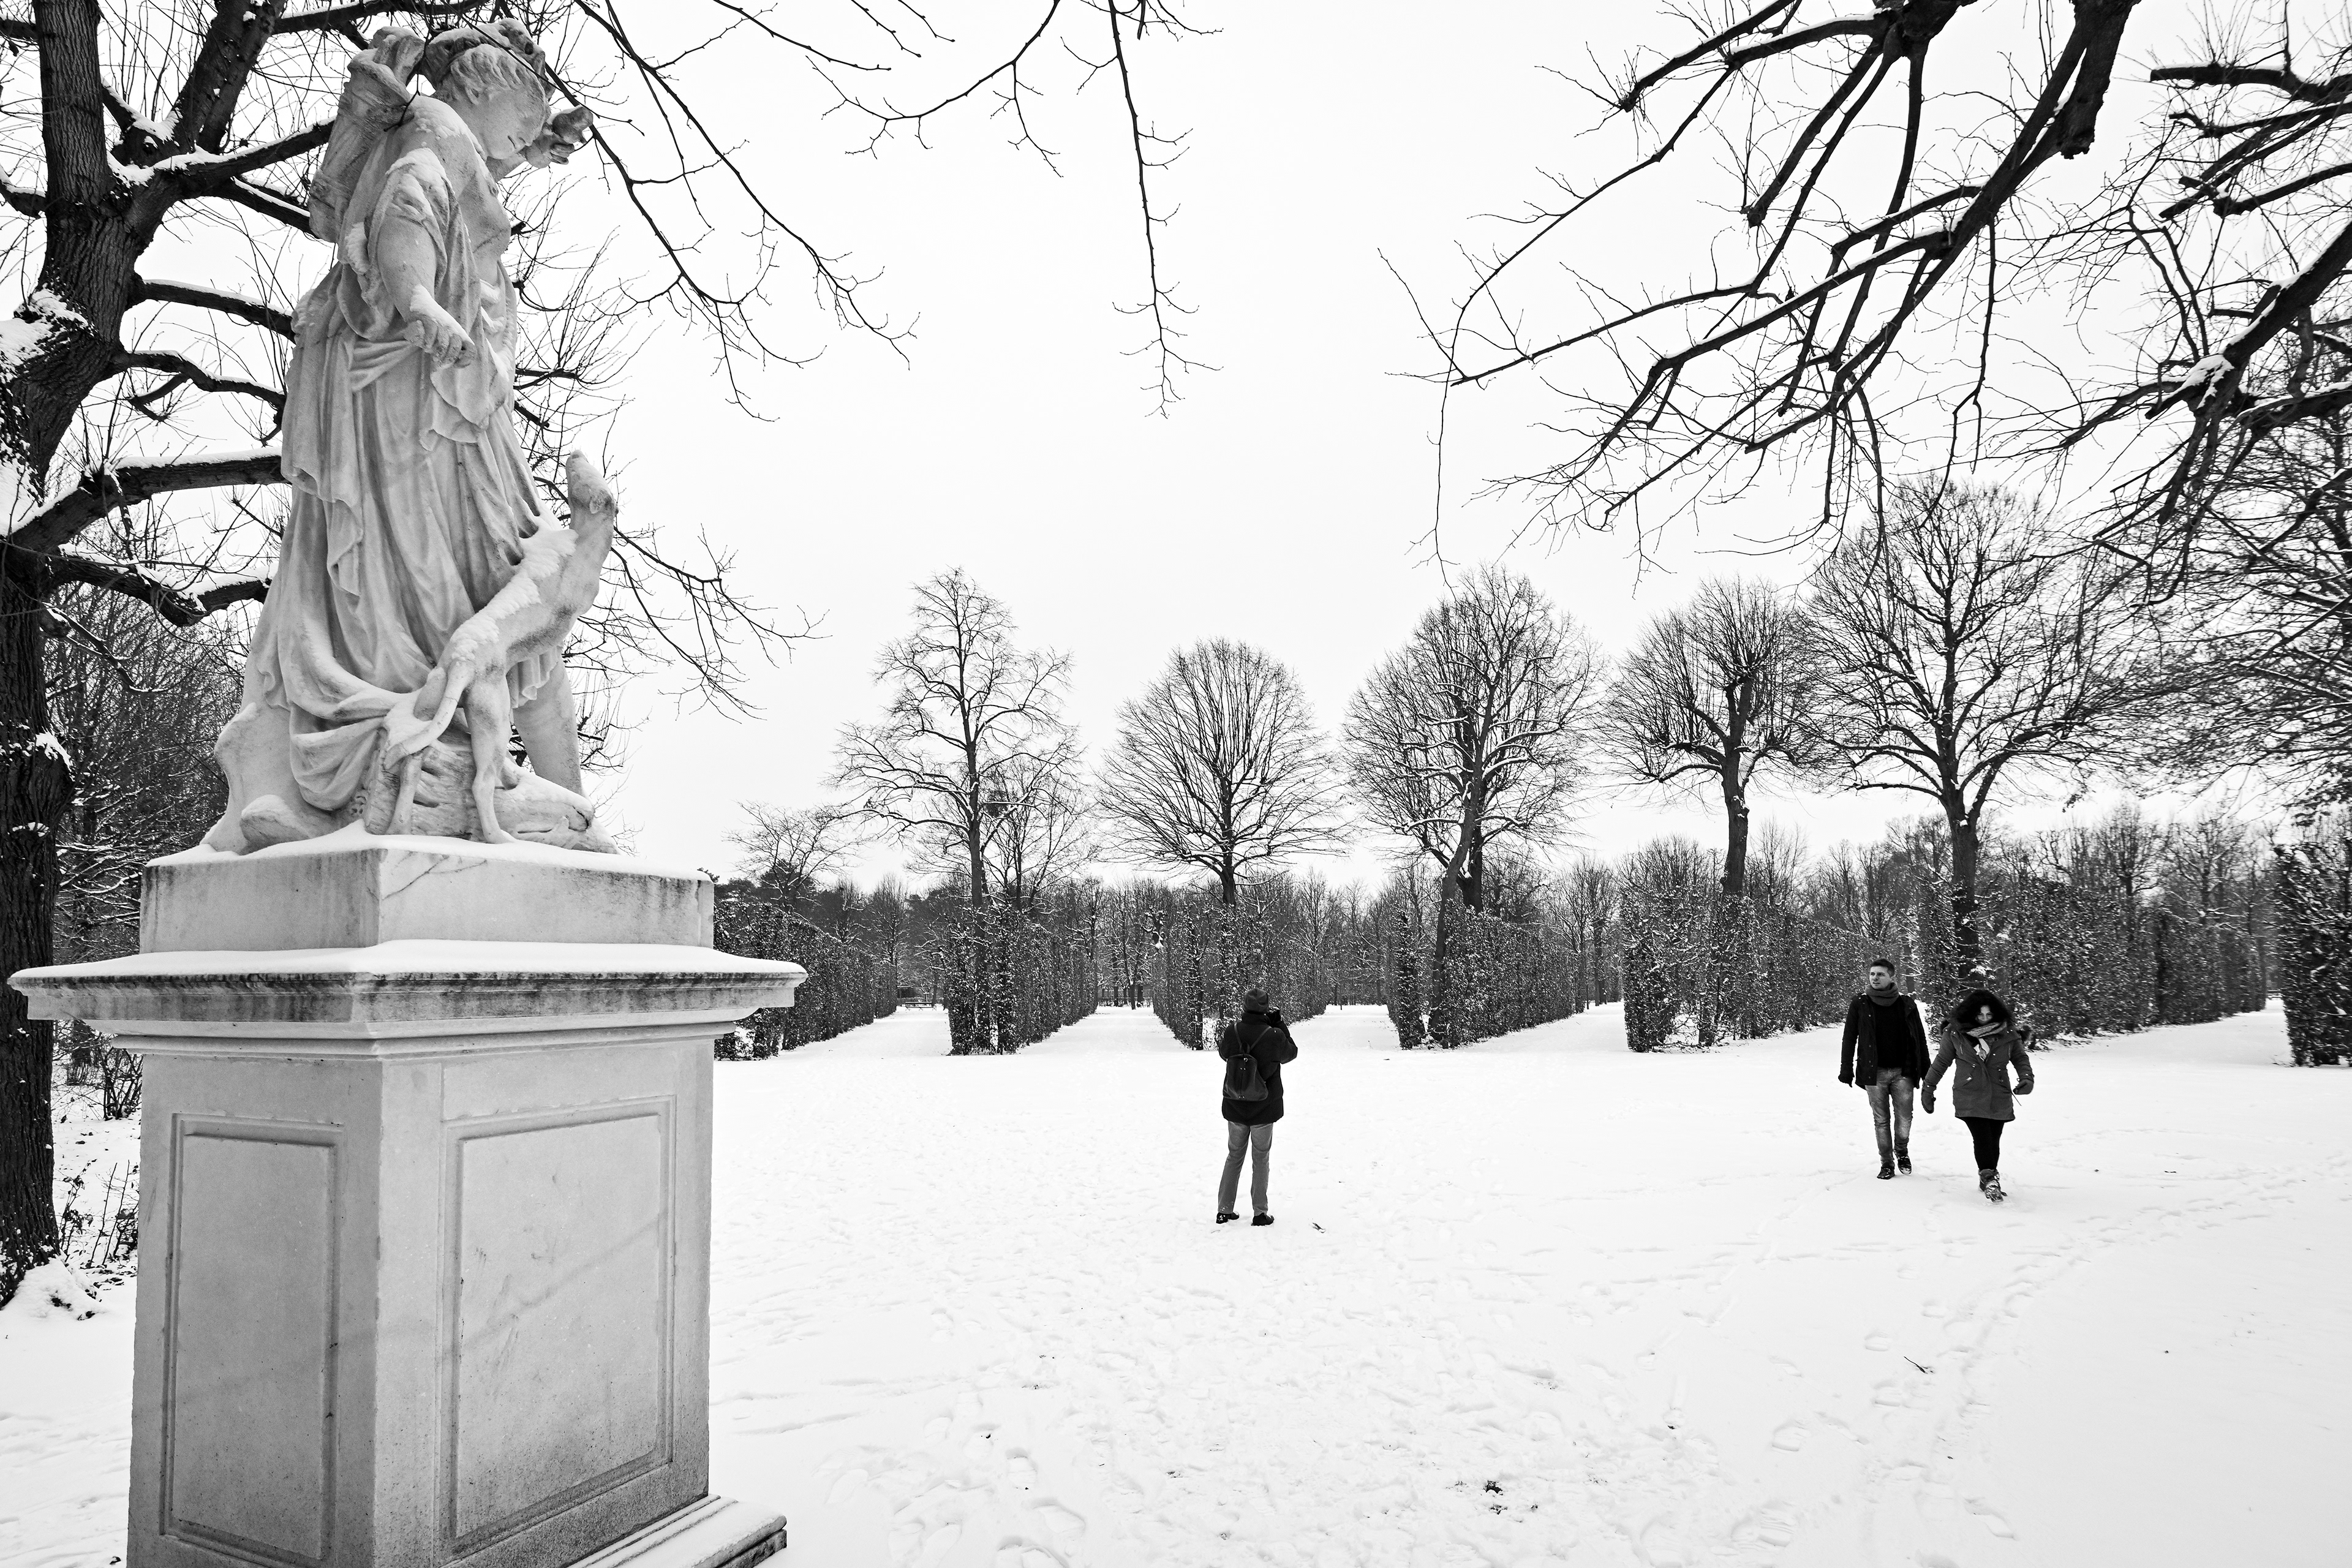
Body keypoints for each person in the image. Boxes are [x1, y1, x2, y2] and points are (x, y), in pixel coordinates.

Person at [206, 22, 597, 852]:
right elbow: (407, 219)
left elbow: (453, 186)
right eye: (520, 129)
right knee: (462, 564)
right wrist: (420, 303)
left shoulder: (434, 137)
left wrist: (525, 159)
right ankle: (436, 766)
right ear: (479, 95)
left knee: (472, 572)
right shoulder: (425, 148)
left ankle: (516, 781)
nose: (521, 148)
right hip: (411, 384)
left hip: (423, 381)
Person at [1923, 987, 2037, 1202]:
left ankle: (1988, 1176)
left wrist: (2027, 1079)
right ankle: (1990, 1178)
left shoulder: (2008, 1034)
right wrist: (1929, 1088)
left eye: (1989, 1015)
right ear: (1970, 1014)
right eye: (1980, 1015)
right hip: (1969, 1094)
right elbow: (1941, 1063)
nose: (1985, 1019)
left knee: (1994, 1139)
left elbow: (2021, 1059)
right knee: (1982, 1137)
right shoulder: (1955, 1034)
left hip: (1999, 1093)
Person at [1838, 957, 1931, 1179]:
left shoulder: (1907, 1004)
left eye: (1880, 974)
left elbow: (1920, 1038)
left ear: (1891, 977)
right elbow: (1849, 1038)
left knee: (1905, 1118)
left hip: (1903, 1071)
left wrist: (1927, 1070)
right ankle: (1887, 1162)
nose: (1875, 978)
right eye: (1872, 974)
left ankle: (1902, 1150)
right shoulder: (1860, 1003)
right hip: (1874, 1072)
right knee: (1881, 1120)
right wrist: (1846, 1068)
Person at [1216, 987, 1298, 1227]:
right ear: (1266, 1009)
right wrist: (1280, 1025)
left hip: (1235, 1106)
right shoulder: (1274, 1035)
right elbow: (1291, 1052)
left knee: (1234, 1156)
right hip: (1264, 1108)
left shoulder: (1232, 1032)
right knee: (1260, 1158)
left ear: (1244, 1006)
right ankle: (1260, 1213)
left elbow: (1224, 1053)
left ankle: (1224, 1209)